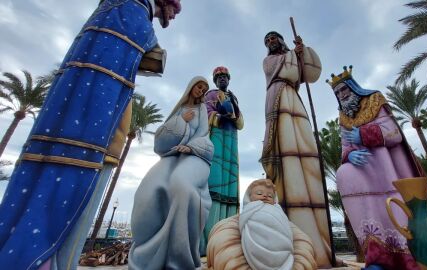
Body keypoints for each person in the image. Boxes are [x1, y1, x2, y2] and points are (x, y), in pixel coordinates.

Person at [0, 0, 181, 269]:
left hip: (95, 122)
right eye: (172, 5)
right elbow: (154, 60)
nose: (174, 11)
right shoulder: (133, 13)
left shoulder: (118, 11)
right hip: (92, 130)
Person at [327, 66, 420, 269]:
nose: (341, 95)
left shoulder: (375, 100)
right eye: (337, 93)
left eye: (344, 90)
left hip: (387, 168)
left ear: (354, 88)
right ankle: (377, 254)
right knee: (344, 175)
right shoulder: (343, 117)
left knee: (391, 205)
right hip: (362, 168)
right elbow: (345, 146)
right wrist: (350, 154)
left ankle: (404, 255)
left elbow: (394, 133)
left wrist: (364, 135)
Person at [259, 31, 332, 267]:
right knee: (284, 146)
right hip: (277, 97)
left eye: (274, 38)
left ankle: (320, 245)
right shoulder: (270, 61)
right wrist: (295, 56)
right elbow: (287, 71)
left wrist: (303, 52)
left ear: (281, 40)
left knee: (304, 146)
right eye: (267, 41)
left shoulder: (290, 54)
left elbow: (309, 75)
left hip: (293, 97)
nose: (271, 42)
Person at [129, 76, 213, 270]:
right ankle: (147, 252)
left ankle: (179, 256)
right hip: (171, 156)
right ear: (191, 87)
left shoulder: (201, 110)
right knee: (149, 189)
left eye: (203, 89)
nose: (200, 91)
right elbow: (161, 139)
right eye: (199, 87)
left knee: (181, 184)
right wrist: (181, 121)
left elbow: (203, 135)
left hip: (193, 155)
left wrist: (191, 148)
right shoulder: (179, 110)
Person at [207, 179, 316, 270]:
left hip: (281, 248)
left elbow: (287, 229)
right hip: (254, 247)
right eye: (259, 193)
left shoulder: (278, 212)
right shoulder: (248, 211)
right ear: (249, 197)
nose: (265, 196)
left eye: (270, 195)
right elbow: (242, 223)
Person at [200, 66, 244, 254]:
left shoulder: (233, 96)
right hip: (217, 136)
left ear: (229, 79)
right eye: (218, 77)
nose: (222, 80)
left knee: (231, 183)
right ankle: (209, 239)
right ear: (214, 80)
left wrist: (233, 114)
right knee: (215, 183)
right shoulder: (210, 95)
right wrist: (219, 115)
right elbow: (205, 114)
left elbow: (240, 122)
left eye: (224, 77)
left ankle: (227, 236)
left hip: (231, 138)